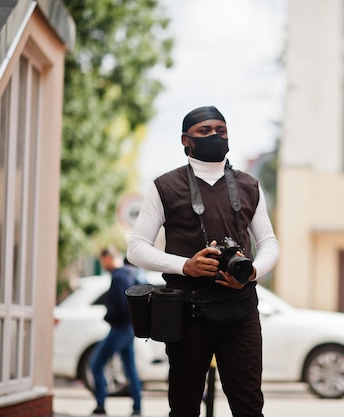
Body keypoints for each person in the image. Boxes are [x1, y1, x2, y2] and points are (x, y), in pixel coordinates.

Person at [127, 105, 279, 417]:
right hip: (188, 315)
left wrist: (252, 272)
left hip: (241, 313)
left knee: (250, 407)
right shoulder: (164, 186)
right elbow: (136, 248)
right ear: (186, 140)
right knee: (184, 408)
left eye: (220, 131)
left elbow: (269, 243)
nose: (215, 136)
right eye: (205, 131)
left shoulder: (250, 185)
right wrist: (186, 266)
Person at [90, 247, 142, 416]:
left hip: (120, 328)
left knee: (96, 364)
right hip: (129, 327)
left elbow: (121, 305)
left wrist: (109, 316)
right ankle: (137, 408)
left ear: (108, 258)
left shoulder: (119, 276)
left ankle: (100, 405)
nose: (102, 264)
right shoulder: (130, 273)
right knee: (130, 368)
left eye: (102, 261)